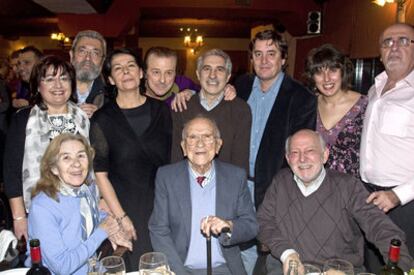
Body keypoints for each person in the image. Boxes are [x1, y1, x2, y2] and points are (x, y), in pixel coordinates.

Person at [257, 129, 413, 274]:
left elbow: (380, 227)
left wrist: (400, 267)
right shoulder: (281, 182)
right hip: (286, 267)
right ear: (287, 158)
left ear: (324, 155)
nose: (302, 158)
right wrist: (287, 253)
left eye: (310, 151)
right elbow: (263, 223)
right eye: (295, 152)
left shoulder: (348, 186)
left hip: (339, 270)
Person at [90, 48, 172, 271]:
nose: (126, 72)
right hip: (124, 205)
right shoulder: (102, 119)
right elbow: (100, 174)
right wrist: (121, 217)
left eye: (131, 66)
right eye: (118, 68)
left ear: (141, 73)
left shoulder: (162, 112)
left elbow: (173, 163)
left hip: (161, 204)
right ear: (110, 79)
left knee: (161, 265)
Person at [149, 116, 258, 275]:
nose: (200, 143)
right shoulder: (167, 177)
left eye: (207, 136)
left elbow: (251, 226)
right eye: (192, 137)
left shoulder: (235, 177)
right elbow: (158, 229)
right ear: (184, 147)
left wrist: (228, 225)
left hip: (225, 269)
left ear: (218, 145)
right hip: (181, 268)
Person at [3, 55, 90, 242]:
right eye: (49, 79)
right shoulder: (23, 120)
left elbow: (96, 166)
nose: (58, 85)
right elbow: (11, 172)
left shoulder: (85, 119)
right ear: (37, 86)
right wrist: (19, 217)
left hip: (81, 208)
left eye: (64, 78)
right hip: (39, 212)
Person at [234, 29, 317, 209]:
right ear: (252, 59)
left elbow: (299, 153)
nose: (264, 61)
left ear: (283, 59)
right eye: (258, 54)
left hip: (275, 194)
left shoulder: (302, 98)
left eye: (271, 54)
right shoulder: (240, 87)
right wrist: (188, 94)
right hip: (236, 189)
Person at [27, 133, 131, 275]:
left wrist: (111, 225)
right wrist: (102, 232)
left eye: (81, 156)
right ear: (54, 168)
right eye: (66, 157)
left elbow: (89, 215)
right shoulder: (42, 207)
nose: (76, 163)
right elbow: (62, 266)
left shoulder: (85, 190)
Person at [360, 23, 414, 272]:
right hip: (371, 197)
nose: (394, 48)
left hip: (405, 204)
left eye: (403, 41)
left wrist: (397, 195)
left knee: (403, 267)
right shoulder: (375, 88)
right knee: (374, 264)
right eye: (387, 42)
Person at [171, 49, 251, 173]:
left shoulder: (241, 110)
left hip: (225, 187)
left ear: (228, 76)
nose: (212, 75)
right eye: (207, 69)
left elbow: (240, 163)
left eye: (220, 69)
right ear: (198, 74)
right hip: (187, 186)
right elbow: (176, 157)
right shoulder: (181, 106)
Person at [304, 44, 368, 177]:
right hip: (313, 186)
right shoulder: (307, 105)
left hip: (352, 190)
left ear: (342, 71)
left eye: (332, 70)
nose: (326, 78)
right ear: (312, 77)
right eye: (319, 72)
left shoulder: (365, 105)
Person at [70, 30, 108, 118]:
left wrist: (101, 117)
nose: (88, 58)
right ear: (71, 55)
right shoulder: (53, 90)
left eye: (95, 53)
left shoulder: (112, 94)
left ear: (102, 61)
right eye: (82, 51)